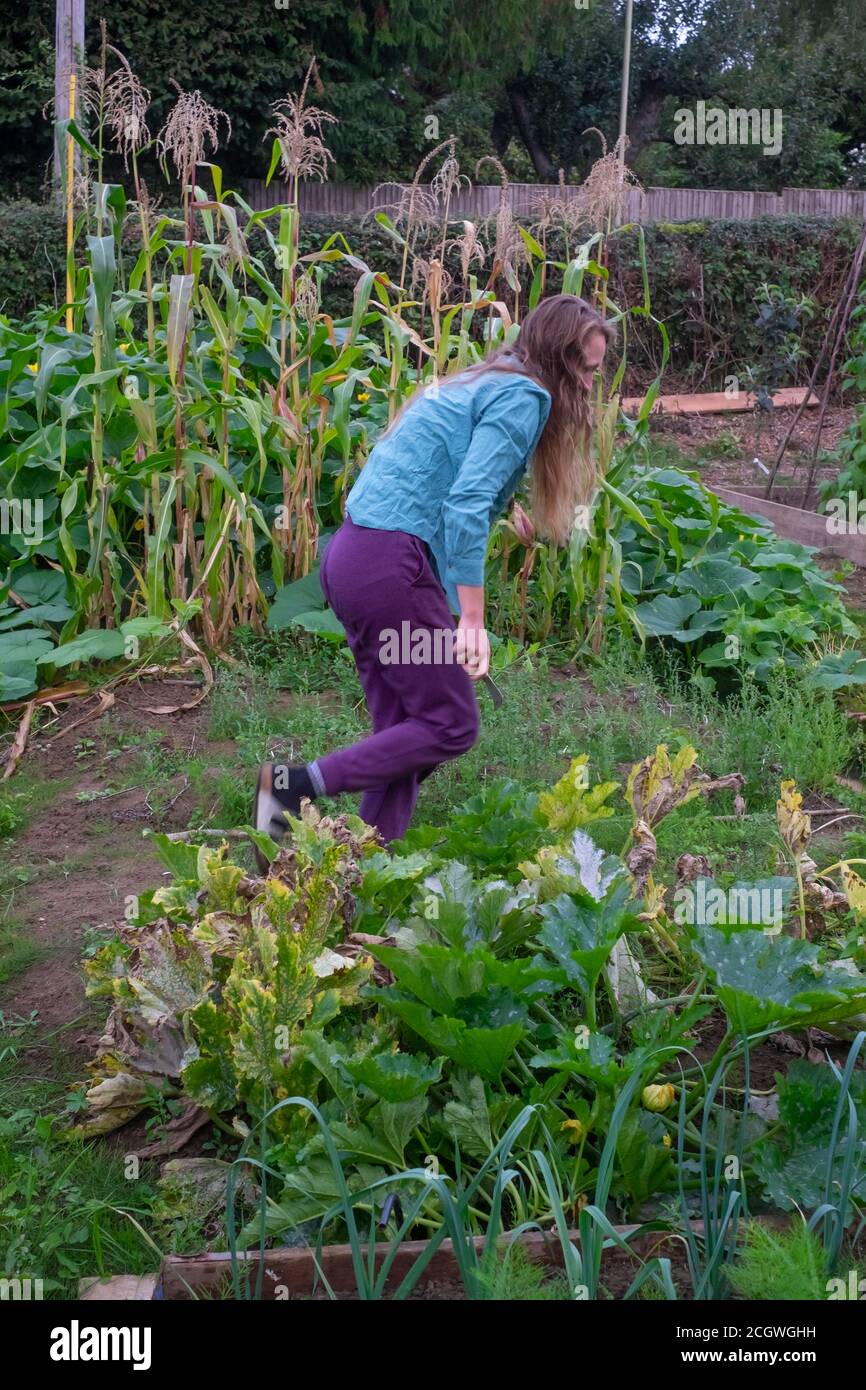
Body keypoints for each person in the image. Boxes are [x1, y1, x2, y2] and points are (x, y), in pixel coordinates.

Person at [253, 292, 613, 854]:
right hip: (390, 571)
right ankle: (292, 786)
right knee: (450, 723)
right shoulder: (525, 394)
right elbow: (465, 505)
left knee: (404, 731)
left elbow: (442, 472)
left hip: (355, 559)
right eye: (585, 370)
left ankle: (370, 865)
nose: (590, 386)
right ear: (559, 358)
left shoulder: (486, 377)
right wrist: (471, 619)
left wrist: (502, 505)